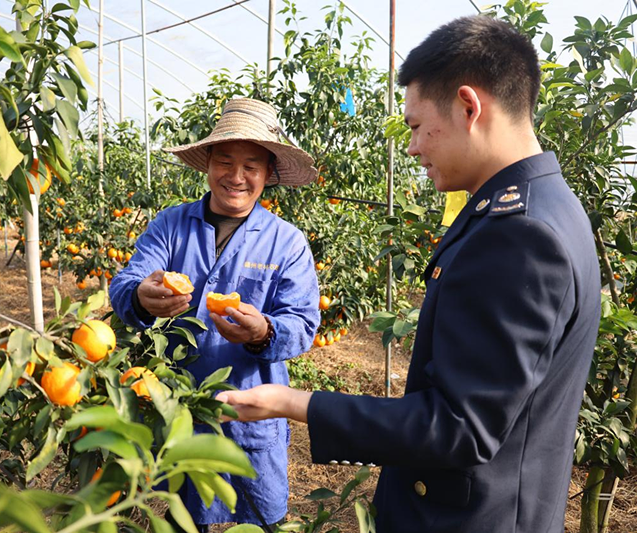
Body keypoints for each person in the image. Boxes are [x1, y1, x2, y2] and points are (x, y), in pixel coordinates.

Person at [216, 16, 601, 533]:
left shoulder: (519, 234)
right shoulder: (546, 207)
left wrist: (295, 403)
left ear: (469, 107)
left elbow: (459, 427)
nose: (413, 147)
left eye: (417, 127)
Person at [110, 98, 321, 530]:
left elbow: (302, 324)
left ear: (268, 174)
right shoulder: (171, 226)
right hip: (179, 409)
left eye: (251, 166)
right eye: (225, 161)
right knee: (185, 519)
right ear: (208, 163)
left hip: (250, 413)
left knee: (261, 519)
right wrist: (141, 298)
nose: (236, 177)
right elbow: (126, 283)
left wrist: (264, 331)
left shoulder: (286, 242)